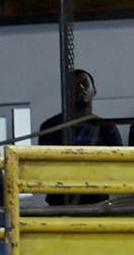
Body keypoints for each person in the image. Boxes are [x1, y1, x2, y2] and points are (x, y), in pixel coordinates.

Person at [37, 68, 122, 204]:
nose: (80, 87)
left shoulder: (106, 127)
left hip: (96, 204)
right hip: (59, 205)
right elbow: (44, 169)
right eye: (74, 85)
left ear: (94, 90)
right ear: (65, 93)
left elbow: (118, 167)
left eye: (84, 83)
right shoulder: (50, 127)